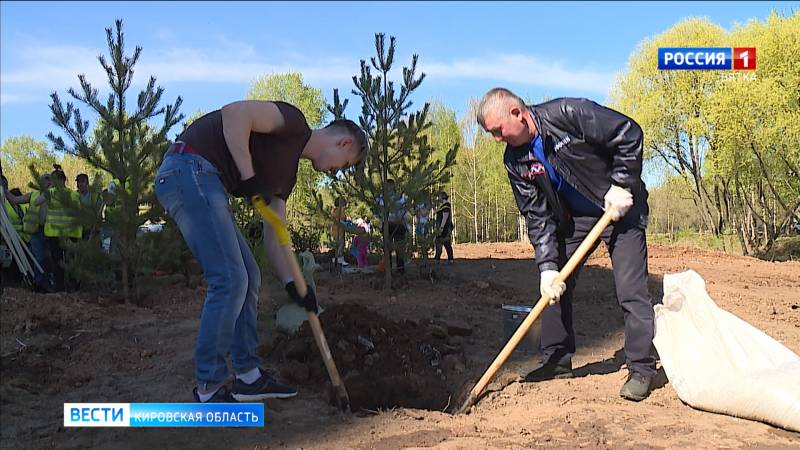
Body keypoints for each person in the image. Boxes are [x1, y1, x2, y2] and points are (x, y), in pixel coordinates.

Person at [154, 100, 368, 403]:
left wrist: (294, 287)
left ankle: (248, 377)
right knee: (229, 278)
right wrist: (249, 177)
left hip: (203, 180)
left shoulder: (286, 177)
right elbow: (235, 114)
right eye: (344, 164)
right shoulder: (293, 122)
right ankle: (208, 388)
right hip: (188, 168)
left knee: (249, 276)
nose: (336, 172)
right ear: (344, 142)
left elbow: (276, 238)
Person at [477, 87, 654, 402]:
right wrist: (547, 267)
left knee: (630, 288)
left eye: (497, 130)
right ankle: (557, 361)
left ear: (516, 113)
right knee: (555, 286)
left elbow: (628, 133)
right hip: (577, 218)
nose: (497, 139)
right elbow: (536, 216)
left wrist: (623, 184)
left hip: (620, 205)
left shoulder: (569, 114)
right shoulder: (514, 161)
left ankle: (641, 367)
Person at [43, 165, 82, 291]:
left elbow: (37, 201)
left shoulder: (51, 193)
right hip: (72, 234)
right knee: (70, 261)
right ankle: (72, 286)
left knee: (57, 262)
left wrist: (49, 188)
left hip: (54, 234)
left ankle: (59, 287)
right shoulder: (74, 195)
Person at [376, 179, 408, 274]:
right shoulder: (381, 198)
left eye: (389, 186)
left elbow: (404, 209)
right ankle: (388, 270)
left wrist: (401, 219)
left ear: (393, 186)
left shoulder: (400, 197)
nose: (388, 188)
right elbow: (378, 211)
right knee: (387, 248)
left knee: (400, 249)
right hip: (388, 224)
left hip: (398, 224)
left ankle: (400, 270)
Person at [434, 191, 454, 264]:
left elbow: (445, 217)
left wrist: (441, 228)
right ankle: (447, 259)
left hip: (444, 228)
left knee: (443, 243)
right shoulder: (443, 206)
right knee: (445, 244)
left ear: (442, 197)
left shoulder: (446, 206)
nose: (438, 198)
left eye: (439, 197)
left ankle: (440, 259)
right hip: (443, 228)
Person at [332, 197, 349, 266]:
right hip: (338, 229)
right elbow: (339, 219)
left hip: (339, 229)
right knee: (341, 244)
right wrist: (345, 222)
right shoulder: (338, 210)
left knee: (339, 244)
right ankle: (338, 258)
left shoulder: (335, 210)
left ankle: (339, 259)